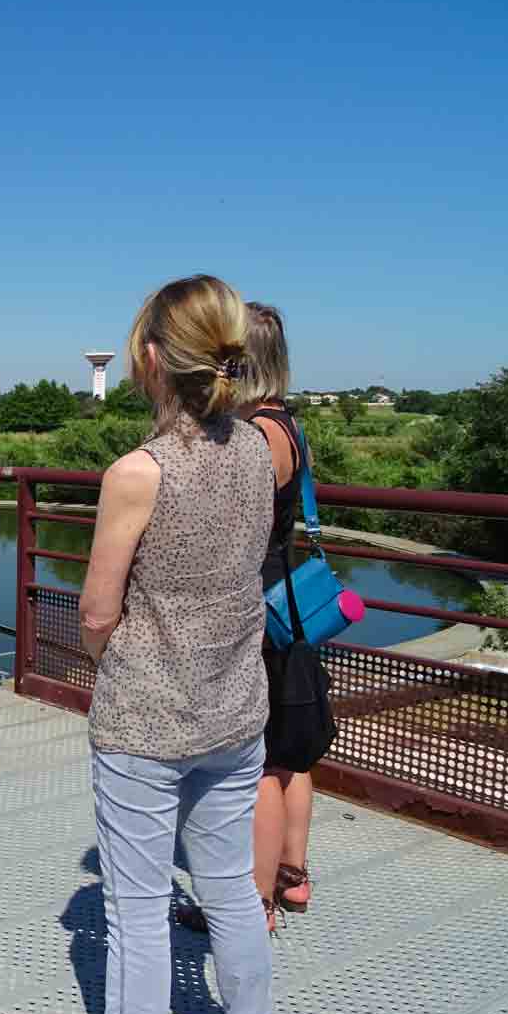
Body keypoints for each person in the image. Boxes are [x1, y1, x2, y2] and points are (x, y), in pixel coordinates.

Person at [23, 276, 275, 1014]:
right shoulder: (261, 450)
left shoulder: (139, 471)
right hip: (235, 709)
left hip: (147, 723)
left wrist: (117, 664)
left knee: (135, 912)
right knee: (230, 885)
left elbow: (97, 611)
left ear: (155, 358)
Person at [178, 302, 313, 937]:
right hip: (288, 600)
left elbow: (225, 525)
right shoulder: (290, 424)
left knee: (253, 762)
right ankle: (291, 875)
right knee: (291, 755)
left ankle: (252, 904)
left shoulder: (255, 436)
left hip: (254, 606)